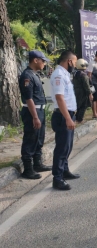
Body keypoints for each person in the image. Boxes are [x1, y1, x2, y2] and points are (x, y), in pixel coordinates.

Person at [18, 50, 52, 179]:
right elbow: (29, 98)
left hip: (40, 110)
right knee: (30, 139)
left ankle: (37, 163)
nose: (44, 63)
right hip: (32, 111)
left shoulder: (35, 74)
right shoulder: (27, 76)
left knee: (39, 138)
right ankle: (28, 169)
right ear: (35, 60)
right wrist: (35, 117)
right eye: (43, 60)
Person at [50, 50, 81, 190]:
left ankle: (65, 171)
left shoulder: (65, 74)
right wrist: (68, 118)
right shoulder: (58, 75)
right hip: (63, 116)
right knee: (62, 148)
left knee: (67, 146)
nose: (75, 65)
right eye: (74, 62)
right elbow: (59, 97)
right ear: (69, 61)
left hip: (68, 114)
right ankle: (57, 178)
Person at [72, 59, 93, 123]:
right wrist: (90, 94)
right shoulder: (84, 75)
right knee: (83, 106)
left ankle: (77, 118)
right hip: (83, 92)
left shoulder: (75, 74)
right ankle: (80, 119)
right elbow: (86, 86)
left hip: (76, 91)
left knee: (78, 105)